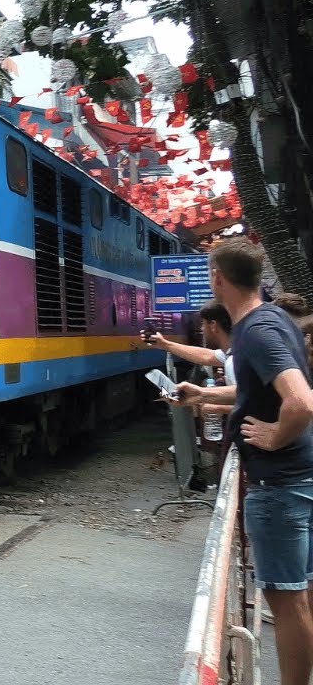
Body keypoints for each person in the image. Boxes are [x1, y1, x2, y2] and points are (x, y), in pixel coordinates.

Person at [173, 239, 313, 685]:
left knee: (287, 600)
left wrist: (274, 436)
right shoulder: (275, 319)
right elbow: (262, 389)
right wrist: (206, 394)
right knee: (302, 593)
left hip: (280, 487)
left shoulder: (255, 331)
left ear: (217, 278)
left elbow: (300, 401)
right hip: (300, 478)